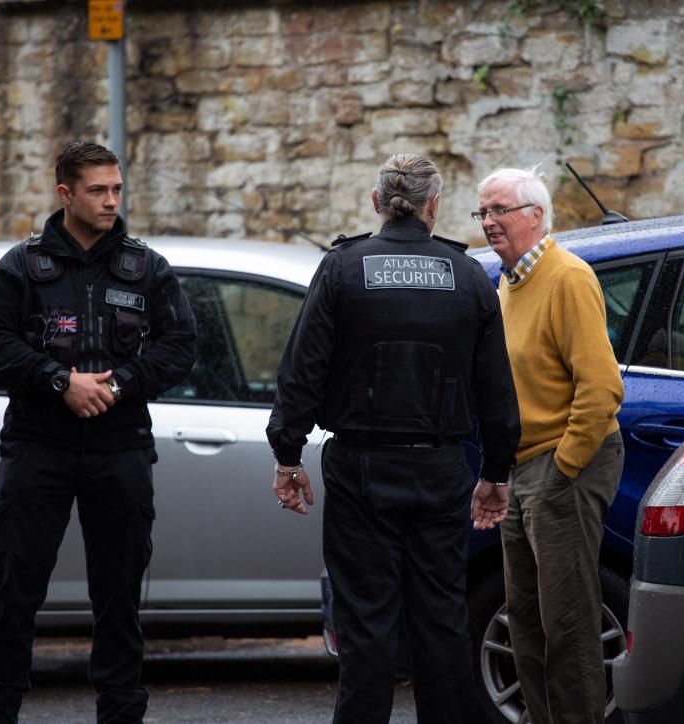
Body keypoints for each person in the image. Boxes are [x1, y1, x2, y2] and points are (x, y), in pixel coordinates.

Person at [267, 153, 520, 724]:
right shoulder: (467, 276)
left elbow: (301, 371)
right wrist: (497, 473)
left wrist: (287, 453)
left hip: (361, 472)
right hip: (439, 471)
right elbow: (497, 390)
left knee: (366, 628)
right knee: (441, 624)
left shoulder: (342, 268)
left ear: (378, 203)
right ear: (434, 207)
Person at [0, 141, 197, 723]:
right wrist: (58, 381)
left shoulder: (146, 267)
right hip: (38, 450)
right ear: (65, 193)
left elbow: (181, 348)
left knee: (119, 604)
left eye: (117, 189)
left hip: (119, 451)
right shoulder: (21, 266)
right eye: (98, 190)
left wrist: (117, 385)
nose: (111, 201)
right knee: (14, 598)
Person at [472, 166, 625, 724]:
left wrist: (563, 469)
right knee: (526, 622)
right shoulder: (510, 282)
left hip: (564, 463)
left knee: (568, 624)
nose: (488, 222)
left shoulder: (566, 277)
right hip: (525, 468)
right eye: (482, 212)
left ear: (535, 215)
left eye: (499, 211)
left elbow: (604, 387)